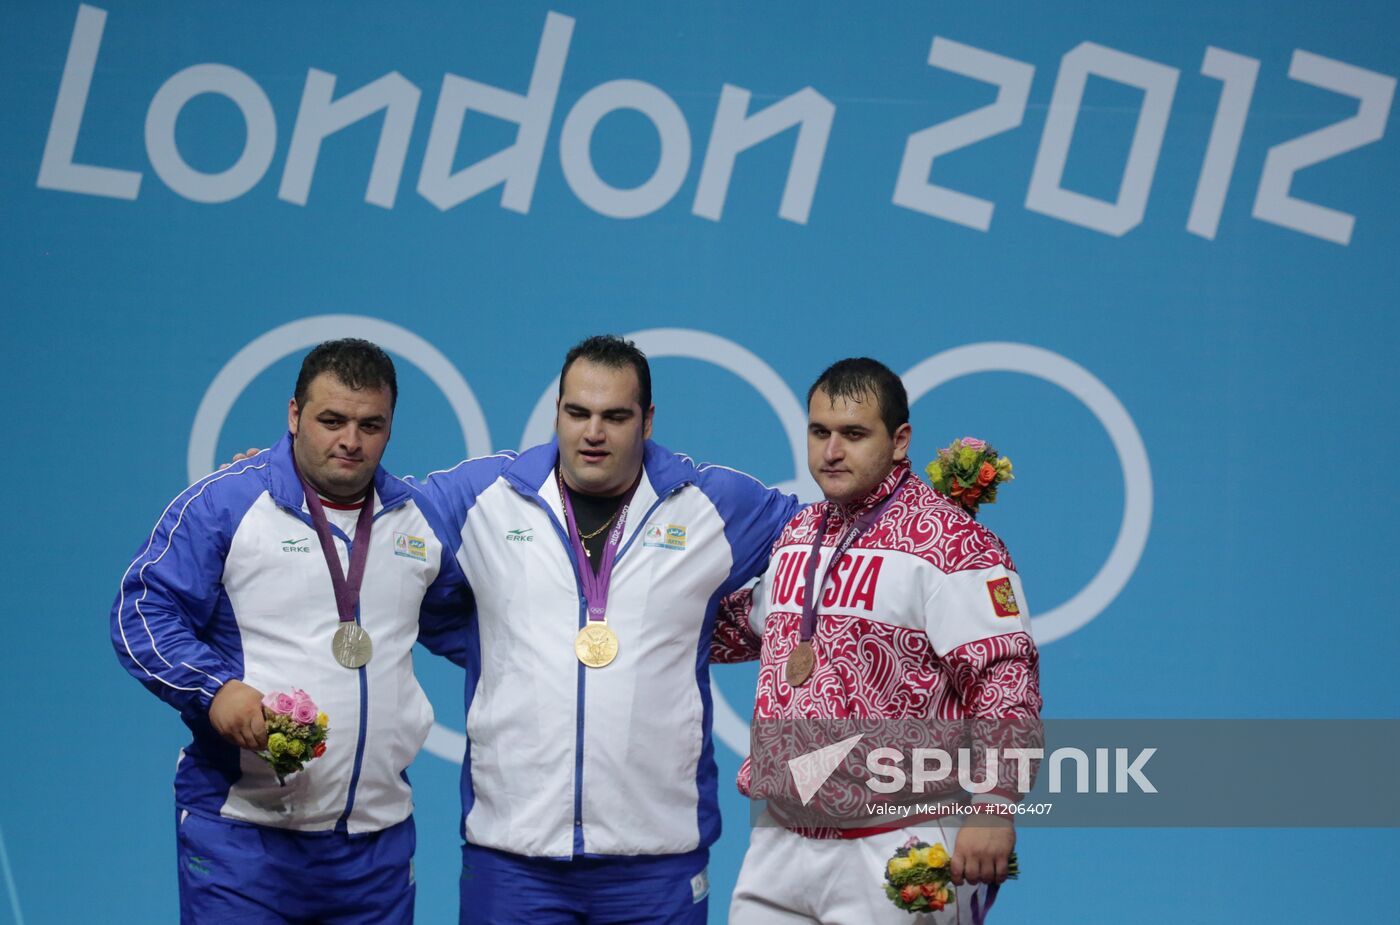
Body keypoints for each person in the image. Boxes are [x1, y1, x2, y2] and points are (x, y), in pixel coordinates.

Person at [415, 334, 799, 924]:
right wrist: (263, 479)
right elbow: (369, 518)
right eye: (578, 413)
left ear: (647, 422)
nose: (593, 432)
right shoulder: (483, 496)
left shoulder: (707, 504)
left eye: (615, 416)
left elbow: (830, 532)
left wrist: (926, 518)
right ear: (557, 413)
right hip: (512, 857)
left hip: (657, 860)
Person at [111, 338, 470, 924]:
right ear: (294, 415)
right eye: (331, 420)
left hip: (376, 845)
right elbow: (143, 612)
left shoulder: (416, 522)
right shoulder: (227, 505)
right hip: (243, 840)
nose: (350, 441)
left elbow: (478, 628)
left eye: (370, 425)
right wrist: (214, 689)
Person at [711, 357, 1042, 925]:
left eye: (854, 434)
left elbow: (1004, 680)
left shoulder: (952, 544)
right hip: (781, 836)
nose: (831, 451)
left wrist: (995, 806)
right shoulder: (798, 533)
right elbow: (745, 629)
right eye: (820, 433)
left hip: (899, 837)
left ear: (900, 440)